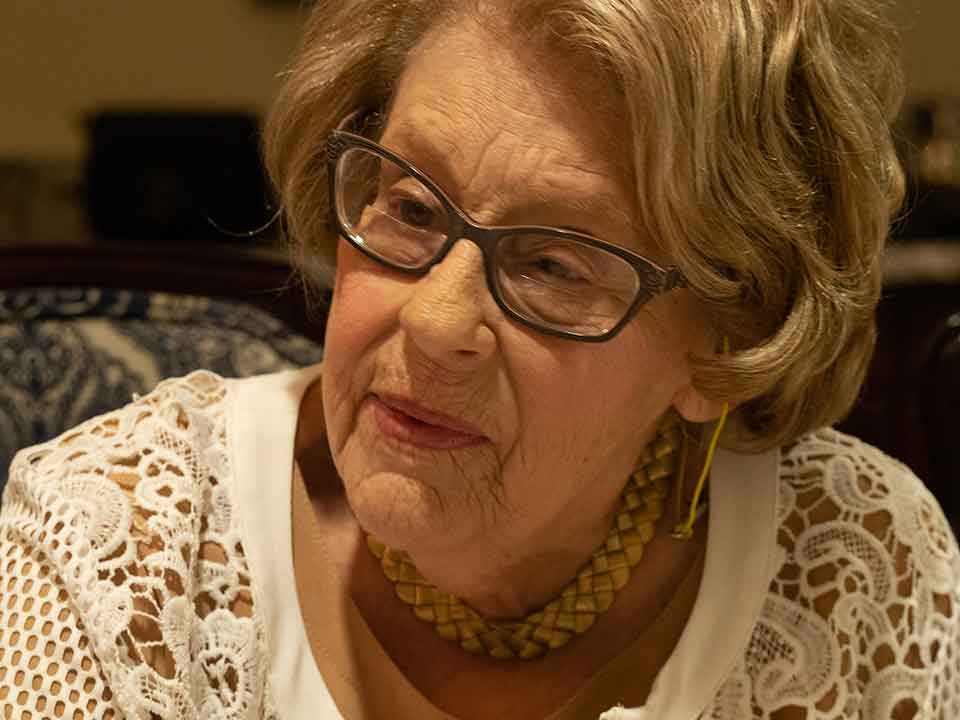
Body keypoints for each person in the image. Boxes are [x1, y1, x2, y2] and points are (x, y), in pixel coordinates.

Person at [1, 0, 957, 718]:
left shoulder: (852, 563)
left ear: (726, 343)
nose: (435, 320)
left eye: (553, 264)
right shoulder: (119, 554)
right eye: (412, 208)